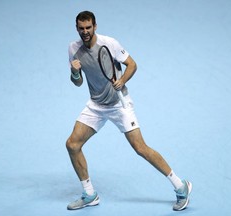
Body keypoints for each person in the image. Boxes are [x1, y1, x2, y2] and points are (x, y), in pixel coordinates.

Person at [66, 10, 192, 211]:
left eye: (88, 27)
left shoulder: (110, 43)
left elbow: (132, 64)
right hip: (96, 105)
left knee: (140, 148)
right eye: (81, 28)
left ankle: (180, 185)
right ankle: (89, 194)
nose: (85, 31)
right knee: (72, 144)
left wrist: (122, 81)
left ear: (95, 26)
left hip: (119, 103)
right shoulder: (73, 48)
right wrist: (73, 72)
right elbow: (78, 83)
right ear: (77, 29)